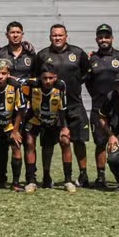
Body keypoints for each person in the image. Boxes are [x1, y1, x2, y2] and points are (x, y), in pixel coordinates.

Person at [32, 24, 92, 187]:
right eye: (54, 35)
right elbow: (36, 77)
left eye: (60, 35)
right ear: (50, 37)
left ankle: (83, 175)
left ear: (66, 36)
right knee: (47, 143)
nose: (57, 38)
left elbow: (87, 73)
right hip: (50, 107)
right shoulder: (42, 55)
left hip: (74, 104)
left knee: (78, 141)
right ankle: (46, 176)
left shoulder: (78, 53)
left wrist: (75, 84)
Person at [86, 24, 119, 189]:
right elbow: (88, 82)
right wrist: (97, 96)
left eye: (106, 37)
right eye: (100, 37)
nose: (103, 40)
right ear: (96, 39)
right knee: (100, 143)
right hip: (98, 107)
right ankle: (101, 178)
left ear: (112, 38)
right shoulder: (91, 59)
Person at [23, 63, 75, 193]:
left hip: (53, 119)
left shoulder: (60, 85)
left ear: (55, 77)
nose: (47, 81)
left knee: (64, 141)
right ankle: (31, 181)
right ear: (39, 77)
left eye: (50, 78)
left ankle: (67, 180)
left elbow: (62, 108)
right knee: (29, 143)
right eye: (44, 78)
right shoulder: (31, 84)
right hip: (35, 118)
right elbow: (15, 82)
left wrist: (64, 127)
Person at [0, 59, 27, 191]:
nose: (0, 76)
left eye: (3, 73)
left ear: (8, 74)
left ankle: (15, 183)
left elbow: (21, 109)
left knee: (16, 146)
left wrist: (15, 130)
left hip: (11, 123)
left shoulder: (15, 85)